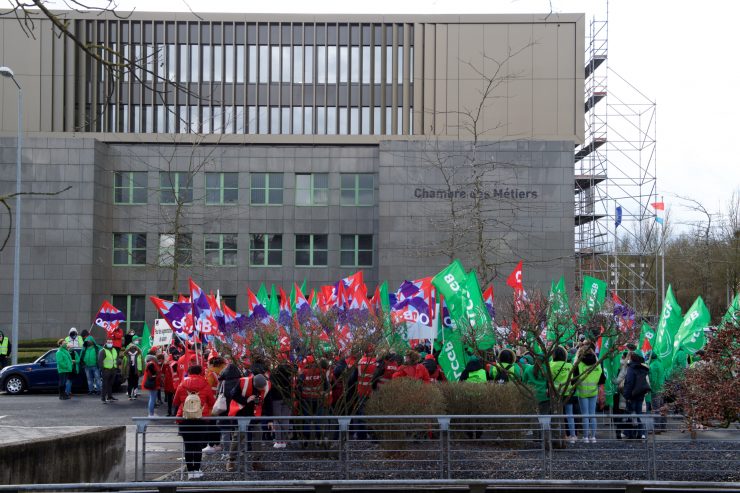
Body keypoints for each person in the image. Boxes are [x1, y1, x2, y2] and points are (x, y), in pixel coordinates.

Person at [173, 364, 216, 480]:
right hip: (200, 419)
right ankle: (197, 470)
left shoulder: (182, 384)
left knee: (188, 445)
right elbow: (212, 402)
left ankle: (190, 471)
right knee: (197, 446)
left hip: (184, 419)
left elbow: (175, 401)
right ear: (200, 372)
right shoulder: (205, 384)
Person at [227, 373, 271, 472]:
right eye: (259, 388)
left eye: (262, 389)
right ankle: (231, 460)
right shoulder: (243, 381)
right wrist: (246, 400)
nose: (261, 390)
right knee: (238, 436)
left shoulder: (267, 385)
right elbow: (233, 394)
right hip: (242, 414)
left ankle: (256, 461)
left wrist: (270, 420)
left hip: (255, 415)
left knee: (258, 436)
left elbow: (268, 402)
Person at [574, 350, 603, 443]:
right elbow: (602, 379)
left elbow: (574, 378)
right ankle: (593, 437)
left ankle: (586, 437)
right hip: (594, 391)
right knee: (592, 414)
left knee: (585, 415)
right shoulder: (597, 364)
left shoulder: (579, 364)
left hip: (582, 392)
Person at [623, 351, 650, 439]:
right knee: (639, 414)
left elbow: (629, 383)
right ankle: (641, 433)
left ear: (631, 358)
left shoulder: (631, 368)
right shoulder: (643, 368)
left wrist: (626, 396)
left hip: (632, 395)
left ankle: (630, 434)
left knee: (631, 414)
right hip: (640, 395)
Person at [550, 346, 576, 442]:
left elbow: (550, 380)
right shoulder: (569, 365)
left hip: (556, 394)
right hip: (567, 392)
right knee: (570, 414)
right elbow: (572, 378)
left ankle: (559, 436)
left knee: (557, 415)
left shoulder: (550, 365)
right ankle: (572, 436)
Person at [647, 352, 666, 433]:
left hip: (655, 389)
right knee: (662, 408)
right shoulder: (660, 363)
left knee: (656, 409)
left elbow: (653, 380)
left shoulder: (653, 365)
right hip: (662, 388)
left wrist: (649, 387)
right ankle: (663, 426)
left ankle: (657, 427)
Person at [98, 338, 119, 403]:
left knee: (110, 384)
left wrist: (117, 367)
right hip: (106, 370)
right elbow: (100, 361)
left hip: (113, 370)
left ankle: (110, 397)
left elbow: (116, 359)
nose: (110, 343)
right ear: (106, 343)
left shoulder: (114, 350)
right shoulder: (103, 351)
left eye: (111, 342)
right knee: (105, 385)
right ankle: (103, 398)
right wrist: (103, 369)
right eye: (108, 342)